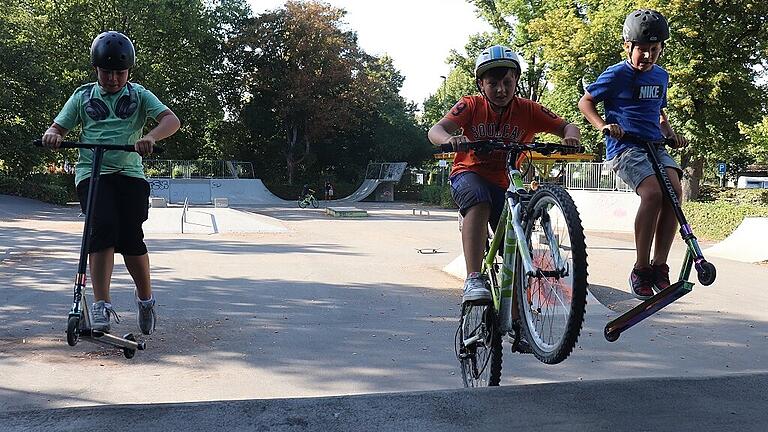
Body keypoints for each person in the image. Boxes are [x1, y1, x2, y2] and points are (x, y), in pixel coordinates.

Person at [41, 31, 180, 334]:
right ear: (96, 69)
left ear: (129, 70)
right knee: (102, 228)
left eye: (119, 72)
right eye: (106, 72)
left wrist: (150, 137)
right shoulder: (83, 96)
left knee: (131, 237)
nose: (113, 78)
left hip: (130, 173)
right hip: (93, 172)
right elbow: (58, 127)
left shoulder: (139, 95)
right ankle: (101, 303)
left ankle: (145, 300)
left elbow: (171, 120)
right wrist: (54, 135)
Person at [428, 45, 581, 305]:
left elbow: (569, 126)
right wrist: (450, 139)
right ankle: (474, 278)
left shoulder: (528, 109)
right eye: (493, 83)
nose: (501, 90)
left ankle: (520, 316)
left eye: (507, 82)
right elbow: (436, 130)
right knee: (479, 200)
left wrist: (570, 138)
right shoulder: (470, 105)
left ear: (517, 81)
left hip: (506, 182)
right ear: (481, 85)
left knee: (517, 244)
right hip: (469, 173)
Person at [578, 10, 688, 299]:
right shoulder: (616, 74)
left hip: (654, 144)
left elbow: (660, 114)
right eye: (642, 50)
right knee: (652, 193)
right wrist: (603, 125)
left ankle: (659, 266)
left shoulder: (661, 76)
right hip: (625, 147)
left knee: (674, 191)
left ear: (662, 48)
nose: (648, 56)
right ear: (628, 46)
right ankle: (640, 269)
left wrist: (671, 134)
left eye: (655, 50)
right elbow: (586, 101)